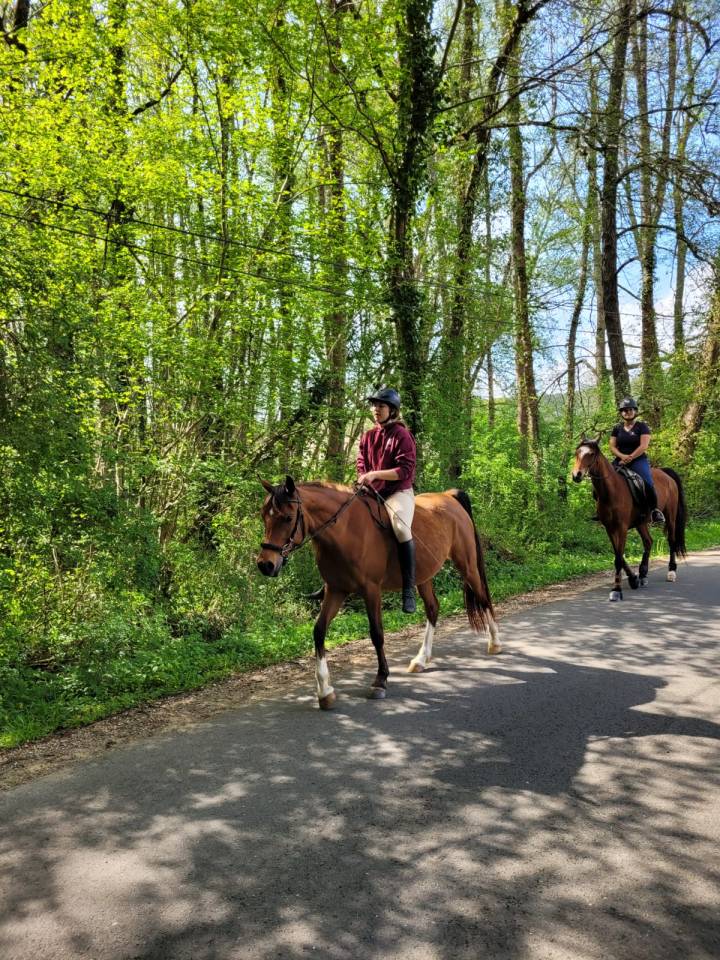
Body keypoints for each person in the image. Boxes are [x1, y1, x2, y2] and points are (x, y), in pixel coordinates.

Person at [357, 387, 418, 613]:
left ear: (392, 410)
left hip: (397, 492)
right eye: (374, 406)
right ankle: (333, 583)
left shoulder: (402, 435)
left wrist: (375, 475)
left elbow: (404, 470)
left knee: (402, 529)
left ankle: (408, 590)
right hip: (371, 493)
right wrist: (364, 477)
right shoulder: (368, 435)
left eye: (381, 406)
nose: (376, 410)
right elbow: (361, 463)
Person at [609, 397, 665, 524]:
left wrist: (630, 458)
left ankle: (654, 511)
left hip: (638, 460)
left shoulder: (642, 426)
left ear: (635, 411)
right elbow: (612, 446)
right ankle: (604, 510)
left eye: (630, 410)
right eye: (624, 410)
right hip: (620, 459)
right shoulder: (617, 428)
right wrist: (622, 456)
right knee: (603, 479)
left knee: (648, 483)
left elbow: (643, 446)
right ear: (621, 413)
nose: (627, 412)